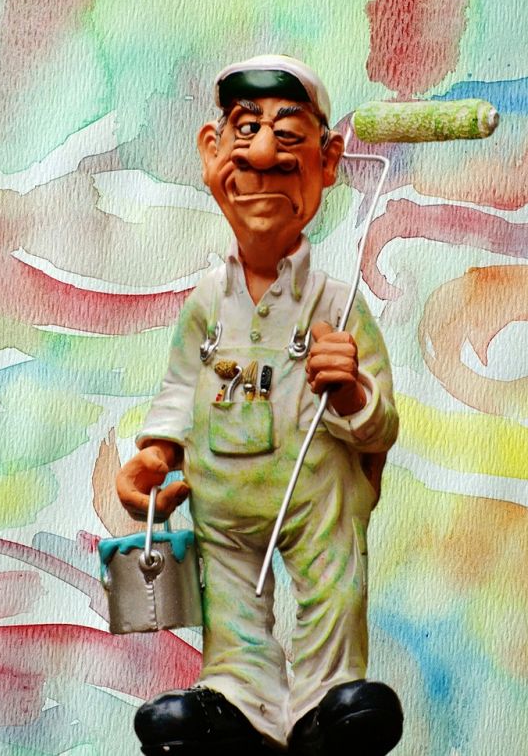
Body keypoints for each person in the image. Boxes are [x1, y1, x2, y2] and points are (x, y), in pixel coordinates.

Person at [116, 56, 403, 755]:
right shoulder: (205, 306)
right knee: (229, 600)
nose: (265, 154)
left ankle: (325, 704)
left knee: (332, 587)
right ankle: (237, 703)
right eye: (245, 131)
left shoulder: (338, 305)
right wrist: (155, 455)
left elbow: (381, 426)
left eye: (289, 137)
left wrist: (351, 390)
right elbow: (180, 388)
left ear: (328, 162)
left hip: (314, 496)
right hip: (221, 496)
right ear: (212, 152)